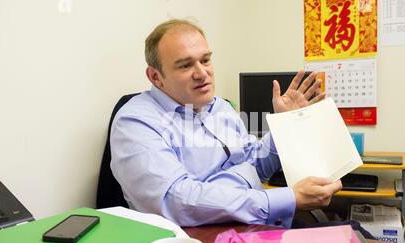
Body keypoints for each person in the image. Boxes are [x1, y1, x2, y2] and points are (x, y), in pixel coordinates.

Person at [110, 19, 343, 229]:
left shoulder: (219, 106)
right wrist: (288, 198)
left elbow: (255, 163)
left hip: (254, 223)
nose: (202, 73)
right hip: (201, 241)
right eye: (185, 65)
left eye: (205, 60)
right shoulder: (136, 121)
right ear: (155, 77)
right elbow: (177, 201)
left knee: (350, 238)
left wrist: (285, 127)